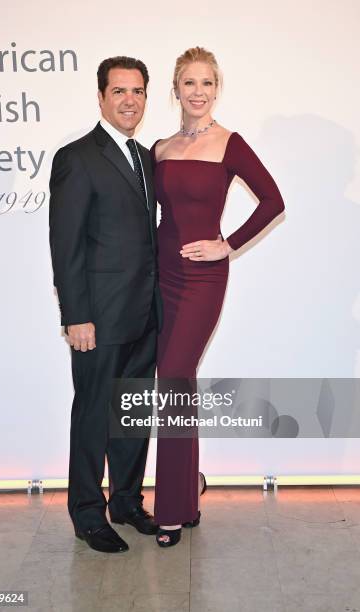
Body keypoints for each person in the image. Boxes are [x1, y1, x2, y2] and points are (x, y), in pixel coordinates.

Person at [151, 46, 285, 547]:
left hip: (203, 279)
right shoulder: (159, 148)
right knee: (178, 386)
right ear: (176, 89)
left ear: (217, 88)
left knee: (174, 378)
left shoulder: (230, 143)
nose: (198, 92)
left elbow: (274, 200)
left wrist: (227, 245)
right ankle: (186, 490)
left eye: (206, 83)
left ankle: (169, 509)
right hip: (160, 276)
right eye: (189, 83)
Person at [49, 56, 162, 553]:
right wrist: (75, 315)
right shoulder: (77, 157)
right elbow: (65, 243)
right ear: (100, 97)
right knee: (95, 415)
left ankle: (126, 502)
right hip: (98, 316)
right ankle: (88, 514)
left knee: (133, 413)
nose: (129, 100)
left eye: (137, 91)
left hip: (144, 314)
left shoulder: (146, 157)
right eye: (119, 91)